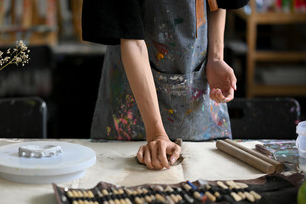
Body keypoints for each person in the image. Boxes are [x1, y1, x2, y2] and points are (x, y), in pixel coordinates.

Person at [82, 0, 249, 170]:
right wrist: (156, 134)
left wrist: (216, 57)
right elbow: (131, 39)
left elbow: (218, 2)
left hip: (198, 96)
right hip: (130, 108)